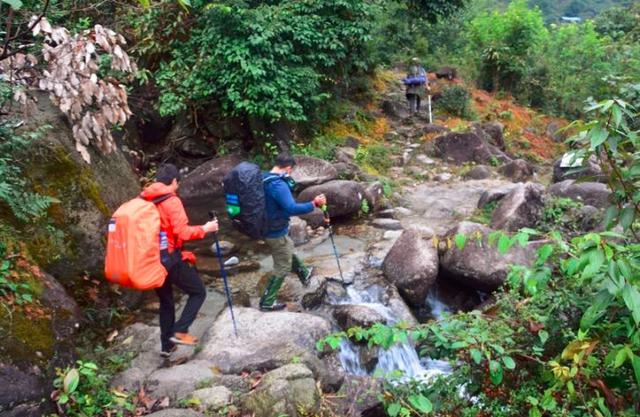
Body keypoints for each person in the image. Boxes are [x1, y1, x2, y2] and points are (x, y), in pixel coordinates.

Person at [140, 163, 219, 357]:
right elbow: (182, 233)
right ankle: (180, 330)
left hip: (152, 258)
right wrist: (205, 229)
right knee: (198, 292)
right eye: (178, 182)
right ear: (174, 181)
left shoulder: (145, 198)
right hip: (169, 259)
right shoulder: (171, 201)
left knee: (166, 301)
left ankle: (167, 346)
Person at [259, 153, 327, 311]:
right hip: (274, 229)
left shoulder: (264, 177)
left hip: (267, 225)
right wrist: (314, 203)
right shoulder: (277, 185)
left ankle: (304, 272)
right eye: (291, 171)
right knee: (282, 267)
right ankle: (267, 302)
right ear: (288, 168)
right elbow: (291, 208)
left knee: (287, 245)